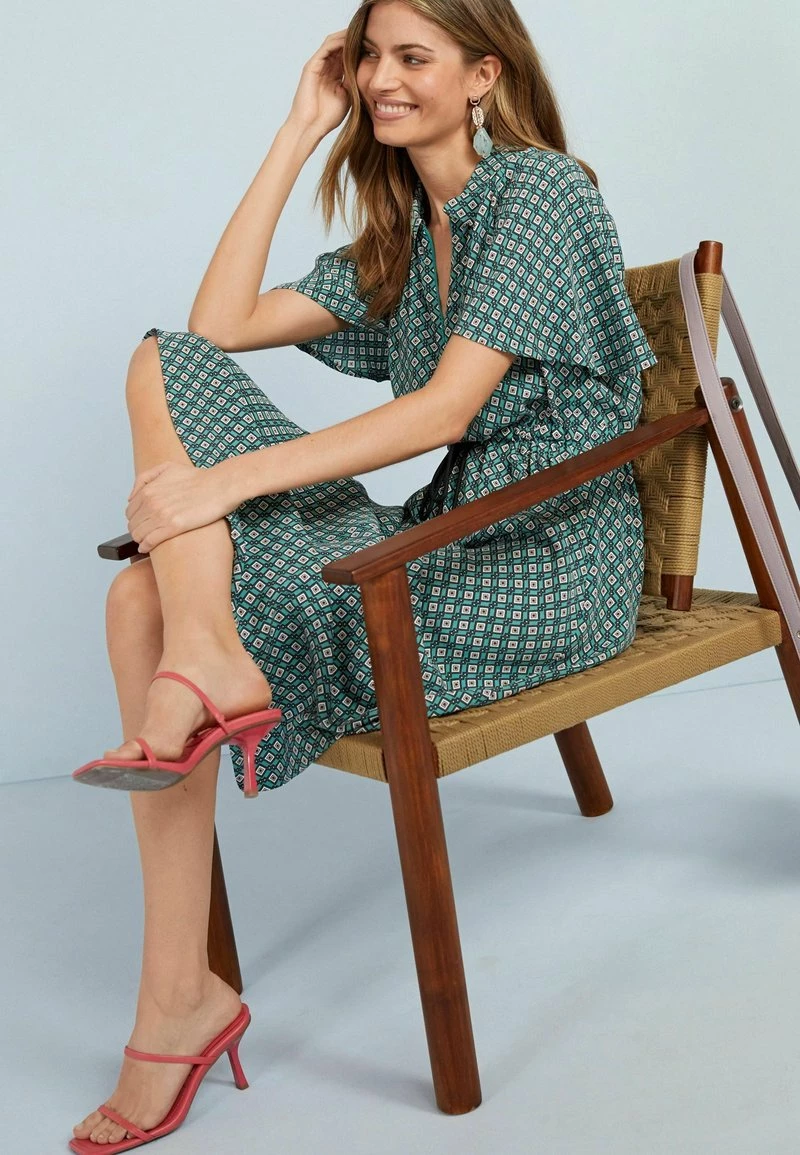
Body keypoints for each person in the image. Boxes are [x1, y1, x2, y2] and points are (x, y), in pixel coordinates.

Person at [70, 0, 658, 1147]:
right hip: (443, 541)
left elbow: (442, 414)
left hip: (545, 563)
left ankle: (204, 682)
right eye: (370, 57)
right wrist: (298, 128)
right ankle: (176, 989)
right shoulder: (403, 234)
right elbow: (215, 327)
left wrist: (221, 488)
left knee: (152, 572)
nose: (382, 78)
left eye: (412, 57)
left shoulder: (539, 191)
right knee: (157, 402)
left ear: (483, 74)